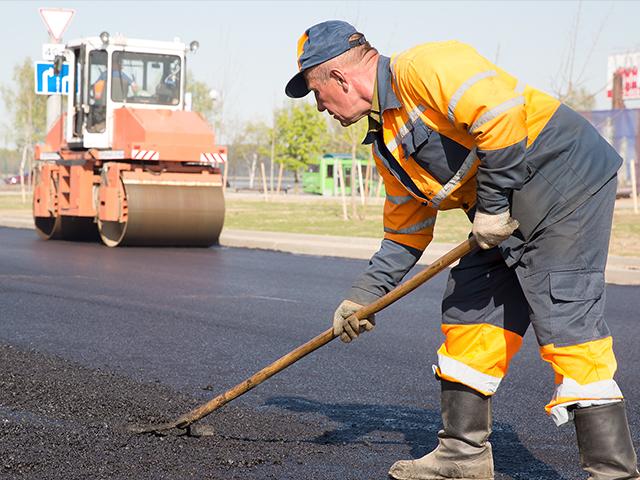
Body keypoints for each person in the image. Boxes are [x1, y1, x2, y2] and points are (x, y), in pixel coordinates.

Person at [285, 20, 639, 480]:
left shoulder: (424, 66)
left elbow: (500, 116)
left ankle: (613, 472)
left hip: (563, 184)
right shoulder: (387, 142)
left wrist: (490, 208)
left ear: (340, 78)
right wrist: (362, 297)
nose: (319, 108)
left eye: (316, 92)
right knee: (470, 310)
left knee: (566, 319)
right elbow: (405, 234)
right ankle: (462, 455)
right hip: (503, 210)